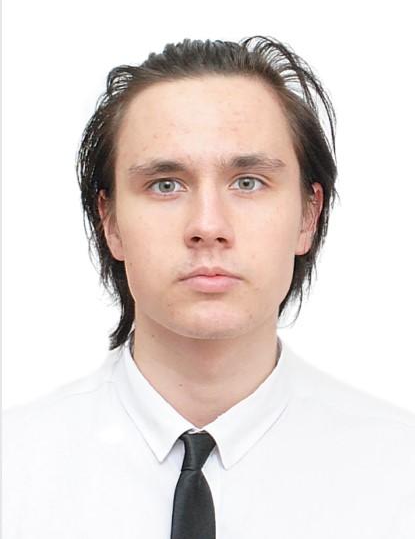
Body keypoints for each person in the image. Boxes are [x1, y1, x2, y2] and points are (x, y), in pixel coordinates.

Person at [3, 36, 415, 539]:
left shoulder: (401, 476)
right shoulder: (14, 471)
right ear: (109, 221)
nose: (207, 225)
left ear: (309, 216)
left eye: (248, 182)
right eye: (165, 185)